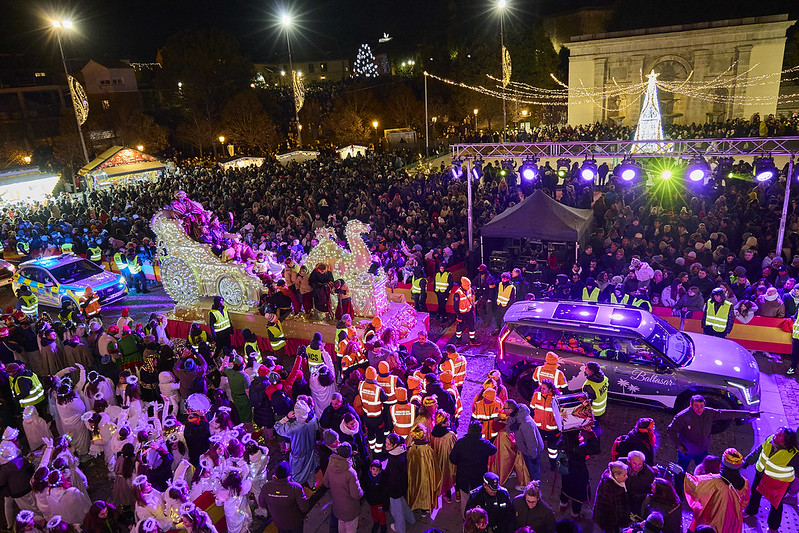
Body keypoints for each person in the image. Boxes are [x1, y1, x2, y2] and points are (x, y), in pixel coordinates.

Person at [667, 394, 754, 493]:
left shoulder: (708, 413)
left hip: (703, 450)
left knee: (702, 474)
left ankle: (699, 490)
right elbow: (671, 430)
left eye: (701, 406)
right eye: (696, 406)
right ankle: (679, 491)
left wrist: (748, 414)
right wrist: (678, 445)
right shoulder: (682, 417)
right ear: (691, 405)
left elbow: (725, 414)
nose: (699, 409)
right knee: (680, 471)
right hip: (687, 451)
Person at [743, 427, 799, 531]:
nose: (776, 434)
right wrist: (748, 461)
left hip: (778, 483)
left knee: (776, 505)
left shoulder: (794, 455)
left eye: (780, 435)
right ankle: (751, 511)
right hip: (761, 475)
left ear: (785, 442)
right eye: (777, 432)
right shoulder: (770, 440)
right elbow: (759, 451)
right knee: (755, 494)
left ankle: (773, 527)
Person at [685, 448, 750, 533]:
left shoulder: (714, 481)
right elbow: (744, 503)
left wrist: (682, 475)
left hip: (714, 520)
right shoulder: (745, 482)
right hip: (733, 521)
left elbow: (694, 486)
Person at [450, 421, 497, 513]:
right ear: (480, 431)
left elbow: (453, 459)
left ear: (468, 430)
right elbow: (493, 450)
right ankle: (478, 519)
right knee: (478, 500)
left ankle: (467, 522)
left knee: (465, 501)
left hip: (463, 478)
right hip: (478, 479)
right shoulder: (484, 443)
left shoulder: (460, 443)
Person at [275, 398, 319, 489]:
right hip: (310, 451)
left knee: (296, 475)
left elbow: (277, 427)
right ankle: (312, 486)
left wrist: (287, 417)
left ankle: (297, 490)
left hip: (298, 455)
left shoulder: (293, 428)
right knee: (311, 470)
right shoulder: (313, 419)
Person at [558, 427, 600, 520]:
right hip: (579, 473)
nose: (581, 435)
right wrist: (590, 432)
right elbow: (596, 448)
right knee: (577, 494)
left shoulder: (563, 442)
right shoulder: (580, 448)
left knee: (565, 487)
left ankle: (563, 505)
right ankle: (575, 514)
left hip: (565, 469)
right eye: (579, 434)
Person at [258, 460, 309, 533]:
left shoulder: (266, 487)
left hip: (279, 522)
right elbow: (304, 508)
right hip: (295, 522)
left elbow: (262, 504)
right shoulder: (296, 488)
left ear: (275, 474)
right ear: (288, 473)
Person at [324, 442, 364, 533]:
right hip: (350, 509)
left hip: (338, 506)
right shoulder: (350, 472)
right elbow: (356, 494)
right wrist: (362, 492)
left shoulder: (331, 464)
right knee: (350, 527)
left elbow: (325, 483)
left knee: (341, 524)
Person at [504, 399, 544, 482]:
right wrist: (511, 427)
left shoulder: (526, 424)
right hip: (526, 449)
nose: (503, 410)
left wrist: (533, 456)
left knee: (533, 470)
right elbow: (508, 428)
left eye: (504, 408)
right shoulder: (514, 415)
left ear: (510, 410)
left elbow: (532, 442)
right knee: (529, 468)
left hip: (532, 451)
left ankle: (535, 488)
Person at [384, 433, 416, 533]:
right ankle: (411, 519)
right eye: (386, 443)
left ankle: (400, 528)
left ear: (394, 445)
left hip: (395, 490)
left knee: (396, 511)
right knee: (402, 503)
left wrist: (388, 489)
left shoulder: (394, 460)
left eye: (388, 444)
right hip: (402, 486)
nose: (386, 445)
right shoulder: (401, 451)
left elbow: (393, 479)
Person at [406, 424, 440, 516]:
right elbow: (434, 465)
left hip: (414, 476)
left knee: (415, 488)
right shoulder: (428, 449)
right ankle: (425, 508)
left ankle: (415, 505)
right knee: (425, 489)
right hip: (426, 476)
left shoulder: (412, 448)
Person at [358, 366, 390, 456]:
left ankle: (371, 450)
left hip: (366, 416)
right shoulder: (378, 389)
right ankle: (378, 453)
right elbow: (385, 398)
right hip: (377, 418)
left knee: (371, 433)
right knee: (380, 435)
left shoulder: (361, 385)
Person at [593, 461, 631, 533]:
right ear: (616, 475)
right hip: (610, 523)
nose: (627, 477)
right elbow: (616, 510)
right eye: (624, 475)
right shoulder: (611, 490)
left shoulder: (613, 482)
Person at [623, 451, 656, 518]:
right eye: (634, 463)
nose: (637, 467)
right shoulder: (622, 465)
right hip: (623, 497)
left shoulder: (649, 474)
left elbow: (650, 490)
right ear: (629, 461)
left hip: (637, 501)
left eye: (640, 464)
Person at [453, 277, 480, 345]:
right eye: (467, 285)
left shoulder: (470, 290)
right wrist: (458, 315)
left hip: (469, 312)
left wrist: (472, 311)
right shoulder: (458, 293)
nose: (469, 286)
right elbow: (455, 306)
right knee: (460, 327)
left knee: (472, 326)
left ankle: (472, 340)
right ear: (463, 285)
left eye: (469, 285)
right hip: (461, 313)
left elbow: (471, 300)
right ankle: (458, 340)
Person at [582, 361, 609, 425]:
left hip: (594, 412)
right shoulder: (604, 378)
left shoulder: (589, 385)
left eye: (586, 368)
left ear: (591, 371)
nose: (585, 369)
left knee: (594, 427)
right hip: (602, 408)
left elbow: (588, 402)